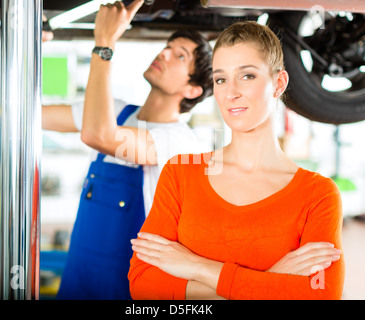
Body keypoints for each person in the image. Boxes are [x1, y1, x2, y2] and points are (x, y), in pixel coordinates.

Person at [128, 21, 345, 300]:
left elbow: (320, 296)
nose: (231, 92)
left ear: (278, 83)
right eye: (221, 79)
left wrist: (198, 267)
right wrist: (269, 283)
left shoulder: (317, 195)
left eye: (247, 76)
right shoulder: (181, 173)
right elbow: (143, 285)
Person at [42, 0, 214, 299]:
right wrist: (32, 48)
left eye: (180, 56)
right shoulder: (117, 113)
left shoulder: (179, 143)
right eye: (167, 46)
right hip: (77, 276)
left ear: (192, 90)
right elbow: (31, 115)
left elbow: (99, 135)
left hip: (126, 286)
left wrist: (105, 43)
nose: (164, 53)